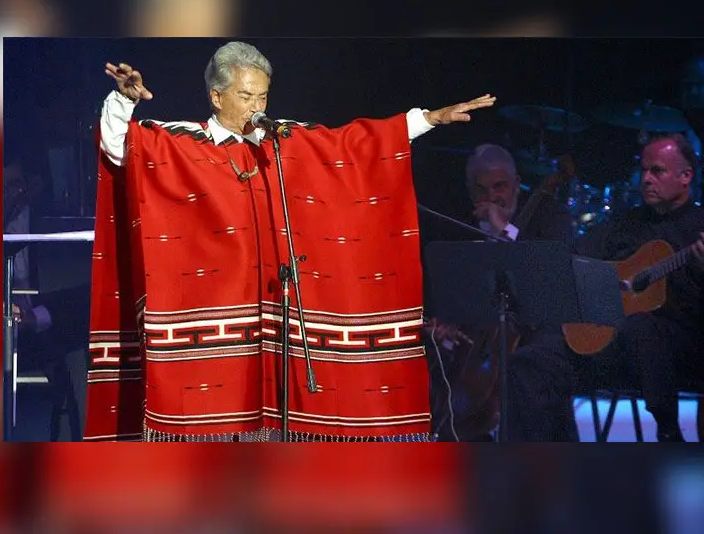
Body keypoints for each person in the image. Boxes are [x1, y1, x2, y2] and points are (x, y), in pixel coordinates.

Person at [86, 40, 496, 441]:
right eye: (246, 96)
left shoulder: (287, 141)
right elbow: (121, 149)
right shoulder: (179, 141)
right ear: (216, 96)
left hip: (281, 333)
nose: (257, 108)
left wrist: (428, 119)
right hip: (214, 339)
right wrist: (124, 101)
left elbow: (354, 146)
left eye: (263, 96)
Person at [505, 132, 704, 442]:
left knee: (643, 326)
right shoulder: (626, 223)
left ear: (686, 176)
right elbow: (574, 259)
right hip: (616, 351)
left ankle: (669, 431)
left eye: (657, 171)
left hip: (681, 352)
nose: (646, 179)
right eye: (644, 170)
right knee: (532, 360)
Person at [424, 143, 574, 441]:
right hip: (478, 337)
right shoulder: (461, 228)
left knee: (528, 364)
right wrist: (438, 324)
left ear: (517, 185)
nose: (491, 197)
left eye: (500, 187)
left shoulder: (547, 215)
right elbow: (445, 290)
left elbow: (551, 277)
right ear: (470, 192)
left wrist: (505, 228)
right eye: (481, 190)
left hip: (536, 329)